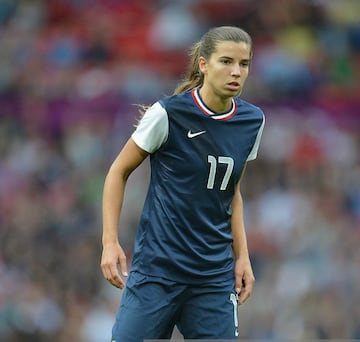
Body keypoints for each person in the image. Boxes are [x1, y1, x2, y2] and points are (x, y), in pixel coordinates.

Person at [100, 25, 265, 341]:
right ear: (203, 64)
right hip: (157, 272)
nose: (236, 72)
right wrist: (110, 242)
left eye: (244, 64)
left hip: (213, 278)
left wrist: (242, 256)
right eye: (226, 61)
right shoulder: (168, 114)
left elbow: (233, 193)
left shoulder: (252, 121)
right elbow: (117, 172)